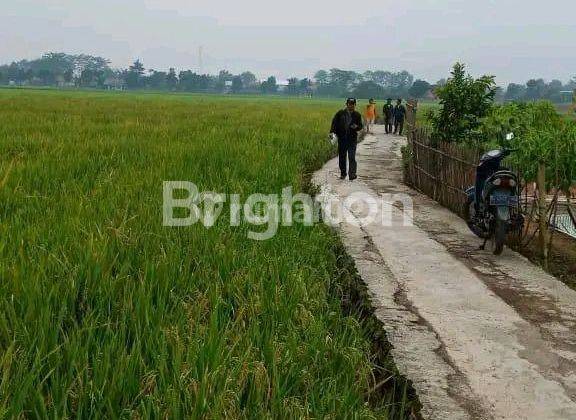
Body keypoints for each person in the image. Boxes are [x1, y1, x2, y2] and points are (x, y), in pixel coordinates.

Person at [330, 98, 364, 181]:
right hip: (342, 138)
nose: (351, 105)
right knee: (342, 157)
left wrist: (356, 127)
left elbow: (360, 126)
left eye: (352, 104)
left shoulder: (357, 115)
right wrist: (332, 132)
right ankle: (343, 173)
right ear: (347, 104)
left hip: (352, 139)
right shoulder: (340, 113)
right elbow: (334, 123)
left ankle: (352, 174)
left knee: (352, 157)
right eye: (349, 104)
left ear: (355, 105)